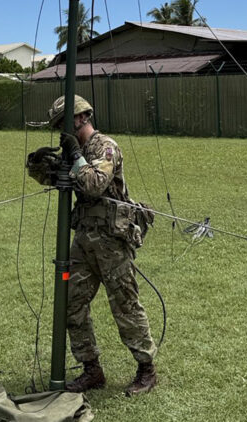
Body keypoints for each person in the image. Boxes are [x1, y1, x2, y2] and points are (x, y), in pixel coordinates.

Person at [26, 95, 158, 397]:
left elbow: (95, 184)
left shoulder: (105, 147)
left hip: (112, 240)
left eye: (62, 123)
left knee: (124, 305)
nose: (60, 130)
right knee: (71, 304)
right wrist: (36, 162)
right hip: (85, 238)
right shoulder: (78, 151)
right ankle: (91, 369)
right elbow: (53, 178)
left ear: (80, 118)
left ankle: (146, 370)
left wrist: (75, 156)